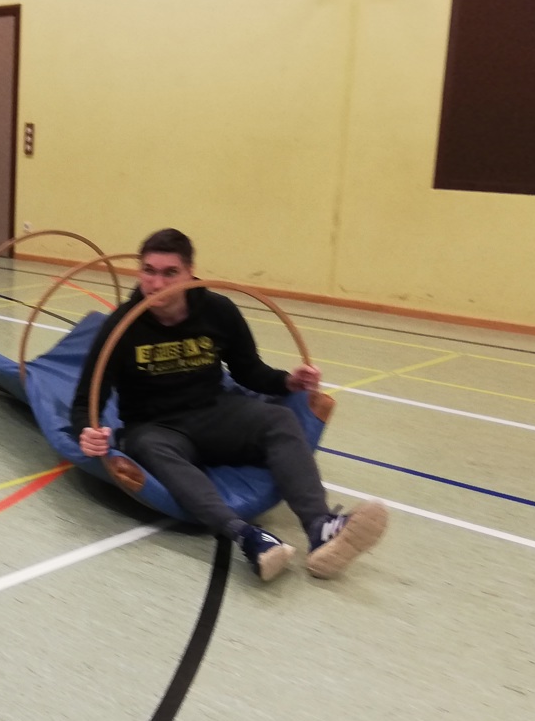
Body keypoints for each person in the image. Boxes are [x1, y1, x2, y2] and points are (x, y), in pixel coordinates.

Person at [70, 228, 387, 581]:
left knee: (278, 419)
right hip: (154, 426)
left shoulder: (218, 311)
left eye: (170, 272)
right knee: (149, 447)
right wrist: (87, 431)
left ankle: (319, 527)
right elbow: (86, 400)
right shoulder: (121, 325)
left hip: (213, 413)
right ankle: (248, 536)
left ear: (190, 273)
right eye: (149, 271)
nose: (157, 283)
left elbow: (248, 370)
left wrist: (287, 381)